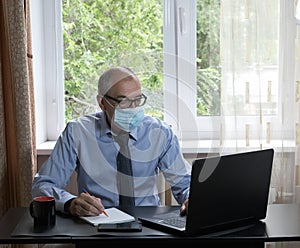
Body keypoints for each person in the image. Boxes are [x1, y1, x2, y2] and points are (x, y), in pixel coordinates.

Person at [32, 66, 191, 217]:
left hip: (148, 224)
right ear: (102, 103)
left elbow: (185, 183)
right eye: (123, 101)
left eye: (138, 100)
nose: (133, 108)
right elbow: (44, 185)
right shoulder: (78, 132)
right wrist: (70, 203)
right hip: (98, 222)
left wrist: (192, 199)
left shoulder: (160, 133)